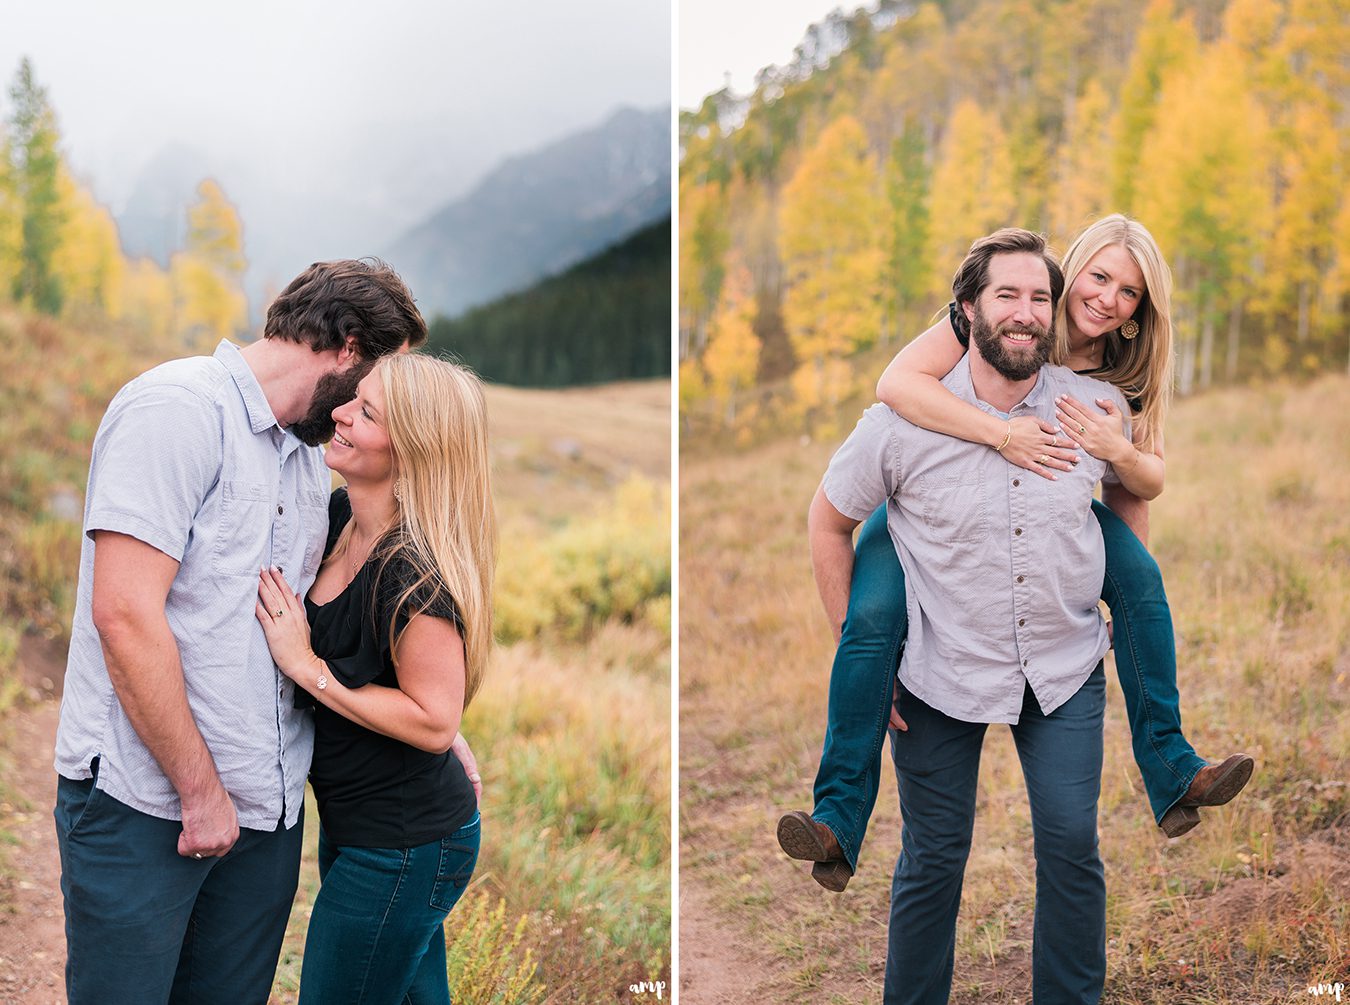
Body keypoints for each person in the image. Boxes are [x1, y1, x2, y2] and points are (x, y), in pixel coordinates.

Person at [778, 215, 1251, 892]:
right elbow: (895, 384)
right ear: (1071, 271)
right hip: (929, 501)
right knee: (872, 620)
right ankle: (837, 819)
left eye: (1130, 292)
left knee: (1142, 579)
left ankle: (1175, 768)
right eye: (1099, 276)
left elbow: (1138, 486)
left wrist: (1109, 579)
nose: (1109, 297)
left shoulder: (1121, 380)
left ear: (1139, 312)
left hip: (1049, 505)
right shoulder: (1017, 309)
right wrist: (1003, 434)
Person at [52, 259, 476, 1004]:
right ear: (348, 349)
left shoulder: (309, 461)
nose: (367, 411)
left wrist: (433, 714)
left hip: (267, 815)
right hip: (149, 803)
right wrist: (199, 789)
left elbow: (347, 624)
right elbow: (124, 616)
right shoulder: (176, 411)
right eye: (377, 388)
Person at [807, 228, 1121, 1003]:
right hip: (937, 675)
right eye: (1006, 295)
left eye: (1040, 297)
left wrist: (1119, 601)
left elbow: (1128, 510)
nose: (1025, 312)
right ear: (967, 309)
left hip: (1062, 667)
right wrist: (865, 665)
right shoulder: (897, 425)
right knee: (935, 854)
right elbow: (826, 522)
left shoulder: (1094, 410)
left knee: (1072, 844)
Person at [254, 353, 495, 1004]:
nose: (340, 413)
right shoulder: (338, 520)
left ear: (411, 447)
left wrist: (309, 668)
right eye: (353, 398)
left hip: (405, 844)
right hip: (363, 828)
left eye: (366, 411)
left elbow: (435, 717)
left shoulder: (411, 569)